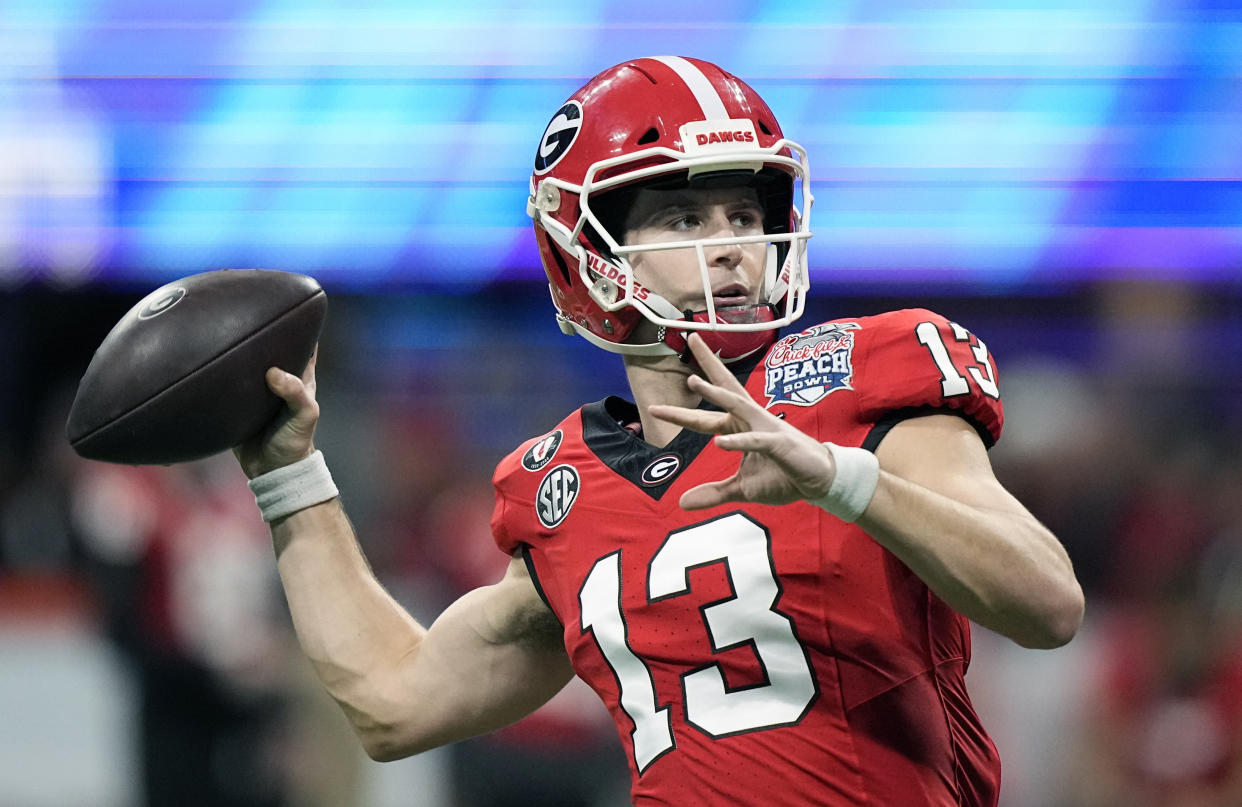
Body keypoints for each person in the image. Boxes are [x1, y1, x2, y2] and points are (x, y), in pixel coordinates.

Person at [233, 56, 1085, 806]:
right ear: (590, 255)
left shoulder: (864, 376)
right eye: (686, 221)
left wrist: (839, 478)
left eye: (745, 217)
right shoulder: (564, 489)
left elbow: (1049, 603)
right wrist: (288, 475)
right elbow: (395, 699)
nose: (733, 248)